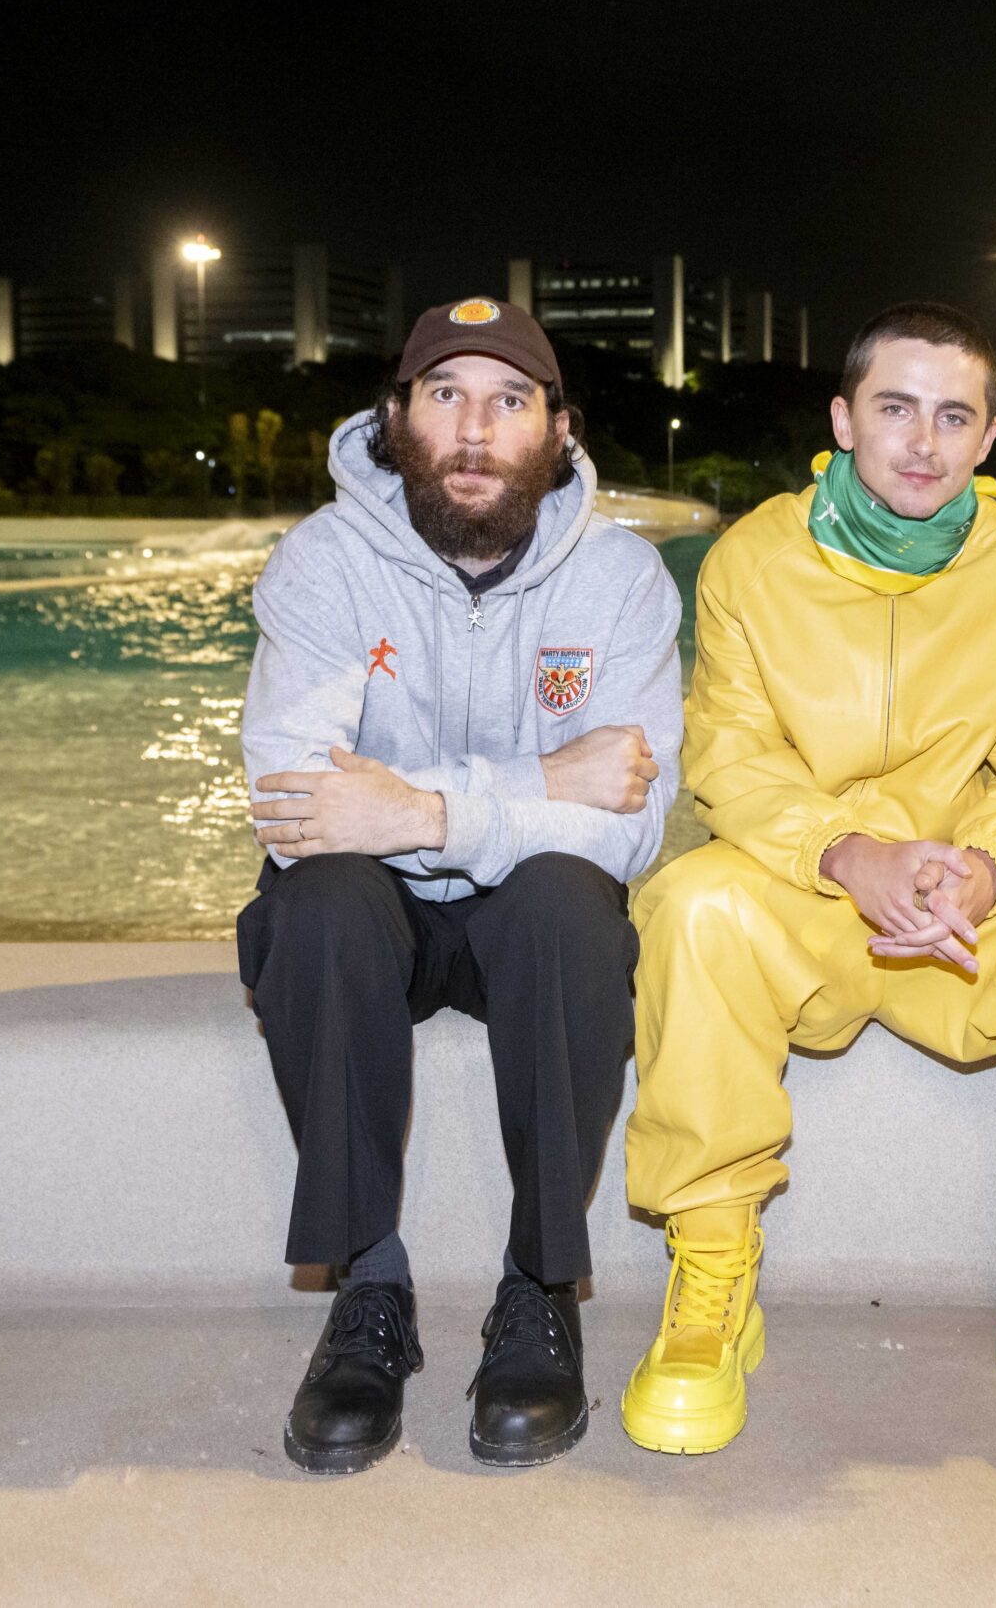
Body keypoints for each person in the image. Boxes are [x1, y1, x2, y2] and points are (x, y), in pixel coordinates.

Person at [619, 303, 996, 1471]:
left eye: (952, 416)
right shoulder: (750, 561)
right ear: (843, 419)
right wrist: (847, 854)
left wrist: (981, 867)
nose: (922, 442)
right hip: (813, 901)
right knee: (691, 903)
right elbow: (727, 753)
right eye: (895, 408)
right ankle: (713, 1269)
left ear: (987, 437)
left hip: (959, 919)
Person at [238, 298, 682, 1471]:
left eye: (507, 400)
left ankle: (538, 1290)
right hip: (374, 914)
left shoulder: (623, 582)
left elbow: (622, 833)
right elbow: (295, 808)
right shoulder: (324, 564)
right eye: (444, 396)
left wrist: (419, 810)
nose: (475, 429)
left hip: (524, 931)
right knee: (320, 900)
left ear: (561, 431)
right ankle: (368, 1288)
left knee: (566, 906)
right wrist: (538, 779)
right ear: (394, 421)